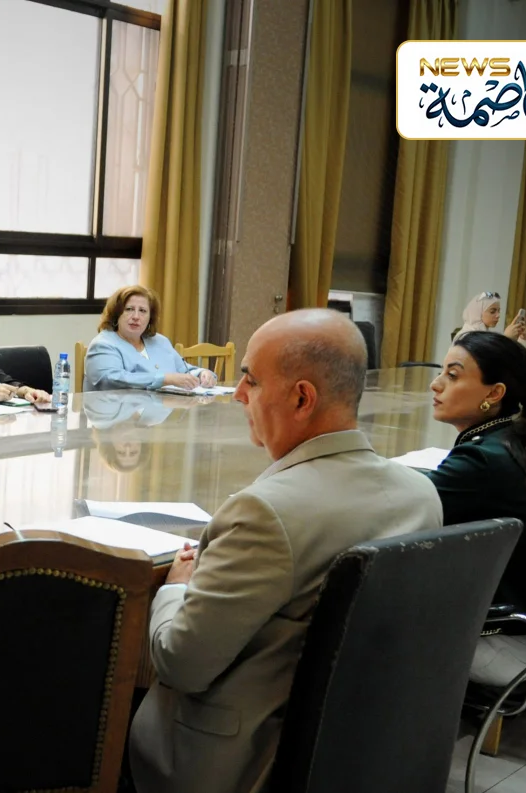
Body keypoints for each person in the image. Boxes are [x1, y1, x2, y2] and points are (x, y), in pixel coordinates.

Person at [127, 309, 441, 793]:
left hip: (238, 764)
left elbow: (181, 664)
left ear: (301, 398)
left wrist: (175, 591)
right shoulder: (421, 495)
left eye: (250, 379)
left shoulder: (264, 513)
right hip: (364, 749)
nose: (237, 393)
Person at [425, 331, 526, 685]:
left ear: (494, 394)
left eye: (453, 375)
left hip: (511, 642)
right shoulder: (517, 437)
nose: (436, 384)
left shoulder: (483, 459)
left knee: (354, 639)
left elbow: (403, 508)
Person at [84, 285, 217, 392]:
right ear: (116, 314)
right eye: (129, 309)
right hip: (116, 414)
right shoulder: (103, 344)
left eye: (143, 311)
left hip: (157, 413)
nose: (136, 317)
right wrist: (164, 379)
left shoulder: (160, 341)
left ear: (150, 318)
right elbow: (111, 380)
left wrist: (202, 374)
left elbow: (183, 370)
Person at [455, 290, 526, 349]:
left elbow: (515, 361)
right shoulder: (465, 337)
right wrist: (505, 339)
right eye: (492, 311)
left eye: (499, 311)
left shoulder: (486, 335)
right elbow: (487, 360)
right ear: (477, 312)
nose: (498, 315)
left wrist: (523, 339)